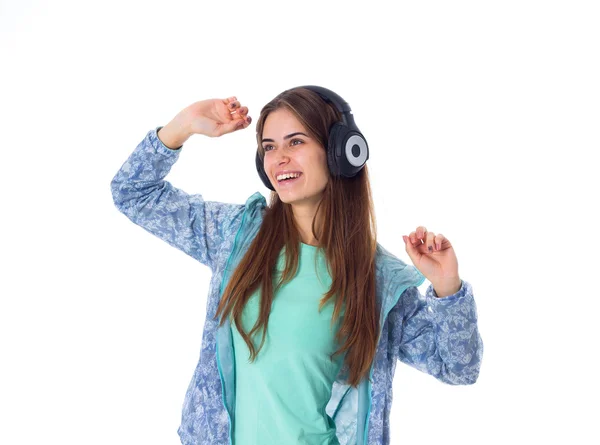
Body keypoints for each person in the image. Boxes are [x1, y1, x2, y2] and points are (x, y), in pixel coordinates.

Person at [110, 85, 484, 445]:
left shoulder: (375, 280)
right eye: (269, 147)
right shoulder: (236, 237)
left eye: (296, 142)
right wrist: (184, 124)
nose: (278, 159)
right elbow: (132, 192)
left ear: (342, 152)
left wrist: (448, 288)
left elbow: (458, 367)